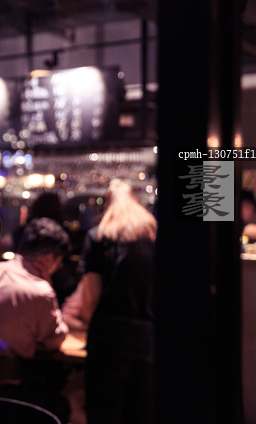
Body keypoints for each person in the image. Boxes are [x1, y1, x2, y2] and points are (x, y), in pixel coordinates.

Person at [79, 180, 156, 424]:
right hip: (148, 340)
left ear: (107, 205)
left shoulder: (97, 236)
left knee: (105, 414)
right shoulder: (155, 237)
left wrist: (91, 326)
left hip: (108, 340)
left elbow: (91, 296)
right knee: (142, 415)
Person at [0, 217, 71, 359]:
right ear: (47, 260)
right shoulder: (41, 291)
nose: (56, 268)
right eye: (58, 263)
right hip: (8, 371)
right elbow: (55, 340)